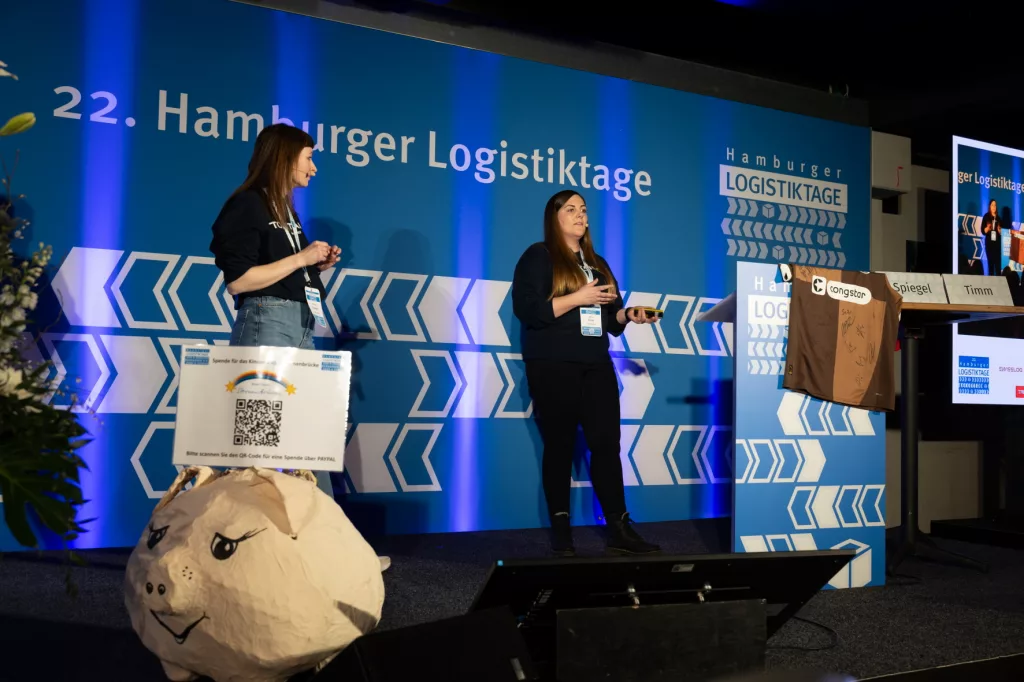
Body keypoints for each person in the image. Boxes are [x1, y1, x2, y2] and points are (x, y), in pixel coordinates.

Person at [511, 189, 661, 556]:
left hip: (596, 365)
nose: (580, 215)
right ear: (554, 217)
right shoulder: (539, 255)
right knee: (560, 446)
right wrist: (578, 298)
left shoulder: (597, 262)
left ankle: (619, 528)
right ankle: (562, 532)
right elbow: (528, 311)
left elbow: (610, 320)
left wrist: (629, 315)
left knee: (607, 446)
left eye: (583, 209)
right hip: (552, 365)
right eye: (571, 209)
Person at [209, 123, 340, 497]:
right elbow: (239, 280)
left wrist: (314, 266)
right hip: (267, 325)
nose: (313, 168)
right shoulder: (248, 203)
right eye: (308, 158)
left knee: (308, 440)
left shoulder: (284, 210)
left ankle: (322, 532)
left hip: (300, 326)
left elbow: (279, 269)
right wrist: (301, 258)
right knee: (256, 447)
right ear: (285, 158)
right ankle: (242, 529)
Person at [981, 199, 1002, 276]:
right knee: (991, 266)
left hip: (997, 245)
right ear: (989, 206)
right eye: (992, 205)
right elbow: (982, 231)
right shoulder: (986, 216)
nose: (994, 207)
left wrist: (1000, 231)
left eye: (995, 205)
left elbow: (1002, 233)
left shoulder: (999, 218)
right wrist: (987, 228)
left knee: (998, 266)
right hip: (989, 245)